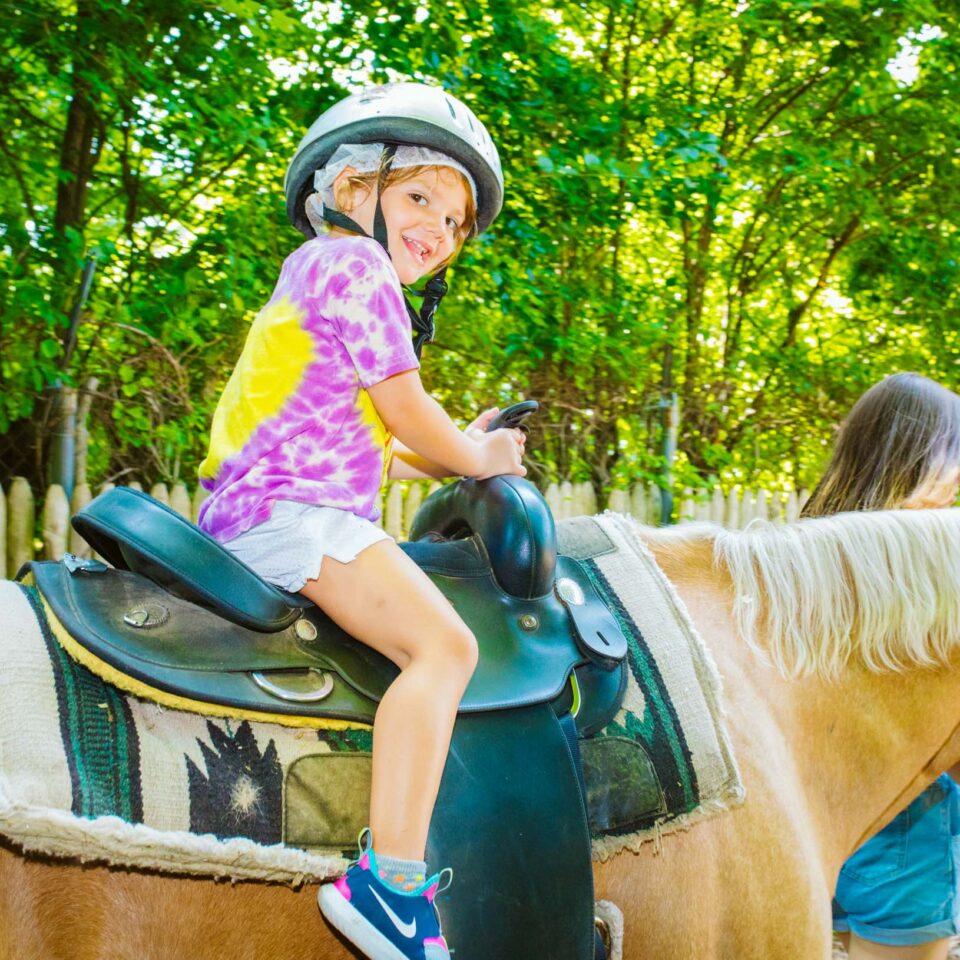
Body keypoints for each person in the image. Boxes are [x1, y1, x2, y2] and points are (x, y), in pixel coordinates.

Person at [196, 83, 525, 960]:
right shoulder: (356, 266)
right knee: (446, 648)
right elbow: (413, 414)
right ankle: (391, 885)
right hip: (294, 516)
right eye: (421, 197)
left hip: (274, 501)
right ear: (351, 193)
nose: (440, 230)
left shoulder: (317, 277)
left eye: (456, 223)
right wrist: (479, 458)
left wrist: (463, 445)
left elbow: (385, 444)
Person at [802, 372, 960, 960]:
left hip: (824, 818)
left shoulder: (812, 547)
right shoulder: (923, 567)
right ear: (921, 459)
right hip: (907, 832)